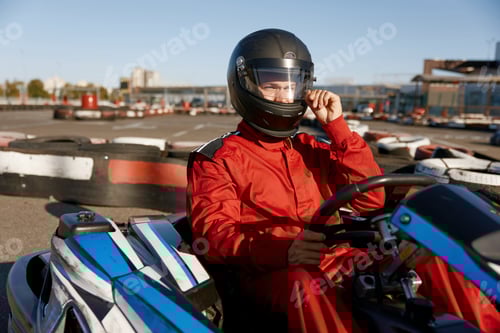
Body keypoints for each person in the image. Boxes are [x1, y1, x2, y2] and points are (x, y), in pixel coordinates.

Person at [187, 28, 499, 333]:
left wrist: (338, 128)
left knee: (429, 259)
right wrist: (284, 250)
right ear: (245, 85)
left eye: (291, 85)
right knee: (303, 285)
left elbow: (370, 200)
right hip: (273, 274)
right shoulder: (217, 157)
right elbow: (213, 237)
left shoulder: (313, 147)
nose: (284, 96)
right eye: (272, 85)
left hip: (339, 260)